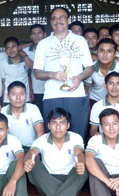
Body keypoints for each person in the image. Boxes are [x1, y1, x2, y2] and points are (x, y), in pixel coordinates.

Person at [33, 7, 94, 139]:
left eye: (61, 17)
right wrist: (52, 75)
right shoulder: (43, 44)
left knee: (78, 136)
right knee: (53, 137)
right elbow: (37, 73)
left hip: (76, 95)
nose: (58, 21)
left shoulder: (80, 40)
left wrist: (80, 77)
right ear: (50, 22)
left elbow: (90, 67)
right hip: (52, 96)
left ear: (68, 20)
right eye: (54, 18)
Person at [24, 108, 87, 196]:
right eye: (54, 123)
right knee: (32, 164)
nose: (58, 127)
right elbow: (32, 152)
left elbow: (79, 153)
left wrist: (81, 162)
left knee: (85, 167)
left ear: (67, 125)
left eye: (62, 123)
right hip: (47, 182)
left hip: (69, 180)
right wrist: (29, 159)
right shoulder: (42, 139)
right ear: (48, 126)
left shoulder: (75, 137)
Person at [1, 81, 45, 153]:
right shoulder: (2, 112)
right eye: (14, 94)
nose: (18, 98)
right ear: (8, 96)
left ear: (26, 95)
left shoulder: (33, 108)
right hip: (11, 150)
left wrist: (36, 152)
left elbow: (40, 132)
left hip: (31, 149)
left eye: (21, 94)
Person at [84, 38, 119, 108]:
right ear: (97, 52)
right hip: (94, 100)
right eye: (101, 51)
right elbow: (86, 90)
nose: (105, 55)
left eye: (109, 51)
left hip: (113, 102)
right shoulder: (91, 68)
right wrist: (88, 108)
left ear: (115, 53)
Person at [0, 36, 32, 105]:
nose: (11, 50)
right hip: (9, 99)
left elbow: (29, 76)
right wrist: (3, 100)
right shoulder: (2, 63)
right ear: (5, 50)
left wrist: (31, 91)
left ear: (18, 47)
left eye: (13, 47)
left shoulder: (25, 61)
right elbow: (3, 83)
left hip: (25, 97)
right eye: (8, 48)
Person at [23, 24, 47, 115]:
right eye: (34, 33)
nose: (37, 36)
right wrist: (25, 57)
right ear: (31, 36)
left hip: (50, 90)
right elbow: (16, 48)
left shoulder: (51, 49)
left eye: (39, 33)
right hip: (35, 91)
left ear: (44, 35)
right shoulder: (26, 51)